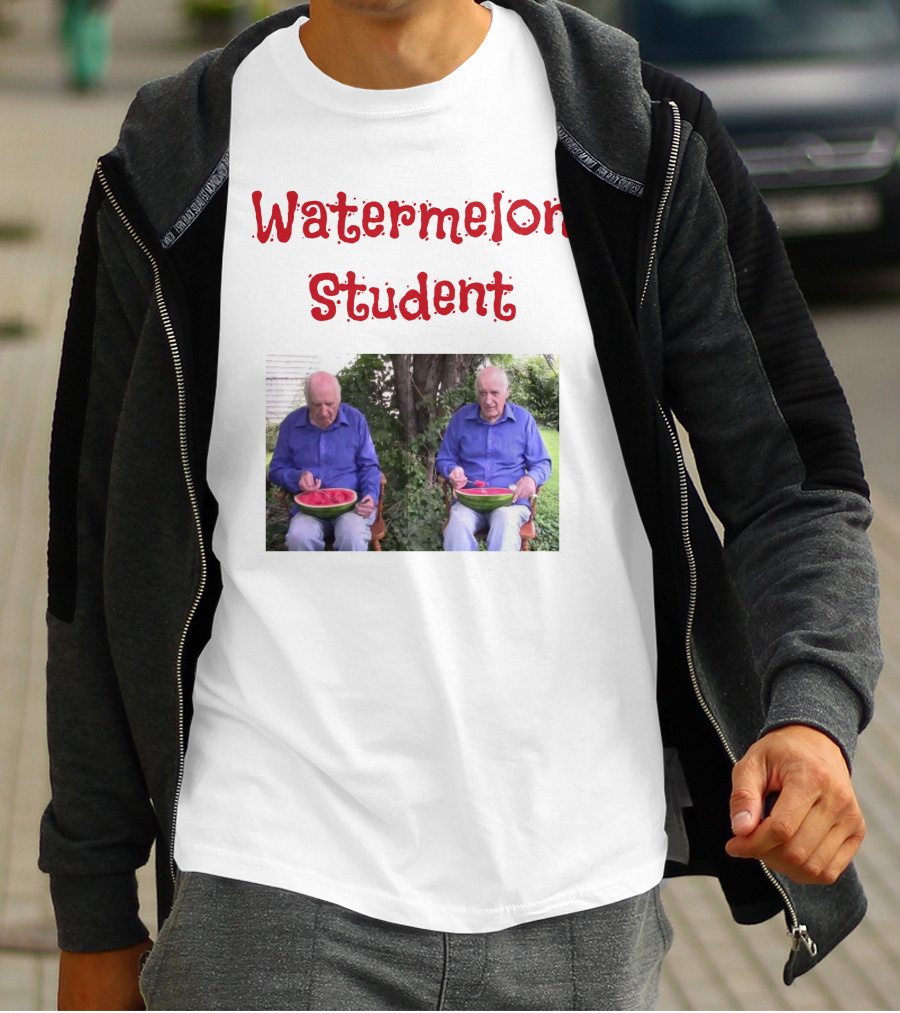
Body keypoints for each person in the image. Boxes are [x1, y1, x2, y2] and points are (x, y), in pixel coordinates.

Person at [41, 0, 881, 1009]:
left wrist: (813, 713)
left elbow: (795, 480)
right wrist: (93, 904)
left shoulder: (634, 138)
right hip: (267, 886)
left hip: (579, 889)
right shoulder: (175, 165)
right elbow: (89, 550)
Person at [437, 365, 551, 550]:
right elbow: (444, 459)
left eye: (494, 393)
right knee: (457, 525)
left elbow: (542, 463)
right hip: (468, 503)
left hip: (510, 504)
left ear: (507, 392)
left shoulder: (524, 420)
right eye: (482, 393)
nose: (488, 400)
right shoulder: (460, 419)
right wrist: (452, 470)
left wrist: (532, 478)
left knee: (504, 520)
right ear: (476, 394)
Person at [268, 371, 381, 550]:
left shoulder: (355, 420)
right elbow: (276, 469)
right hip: (309, 511)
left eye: (330, 404)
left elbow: (369, 466)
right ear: (307, 402)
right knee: (299, 538)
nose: (323, 412)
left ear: (339, 399)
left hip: (352, 508)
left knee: (352, 536)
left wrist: (370, 495)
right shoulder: (290, 424)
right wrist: (297, 477)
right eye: (316, 405)